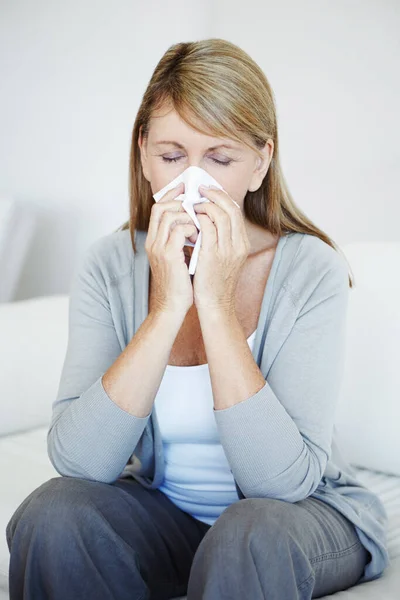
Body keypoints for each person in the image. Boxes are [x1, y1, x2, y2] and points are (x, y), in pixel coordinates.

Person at [6, 38, 389, 600]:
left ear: (259, 164)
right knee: (53, 514)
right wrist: (165, 309)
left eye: (220, 159)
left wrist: (214, 301)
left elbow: (279, 485)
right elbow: (80, 463)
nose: (192, 184)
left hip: (294, 519)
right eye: (171, 157)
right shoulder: (109, 265)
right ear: (142, 154)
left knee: (248, 532)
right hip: (168, 515)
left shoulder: (312, 269)